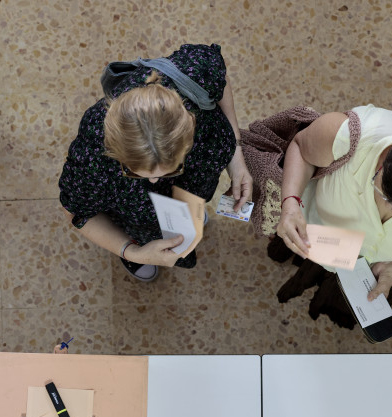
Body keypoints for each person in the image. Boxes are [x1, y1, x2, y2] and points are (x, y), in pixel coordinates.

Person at [58, 44, 253, 282]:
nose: (154, 180)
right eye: (135, 172)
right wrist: (135, 252)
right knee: (144, 230)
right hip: (140, 215)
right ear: (114, 151)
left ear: (189, 130)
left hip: (193, 185)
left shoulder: (195, 71)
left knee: (190, 217)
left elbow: (221, 83)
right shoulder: (94, 151)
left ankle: (188, 217)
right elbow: (78, 213)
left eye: (172, 168)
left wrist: (236, 156)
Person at [274, 104, 392, 328]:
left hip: (381, 275)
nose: (389, 207)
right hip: (318, 238)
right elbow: (300, 147)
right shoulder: (346, 135)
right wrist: (290, 203)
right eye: (384, 192)